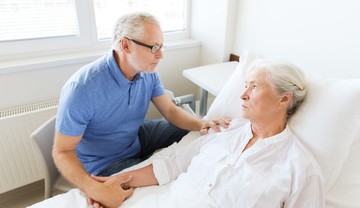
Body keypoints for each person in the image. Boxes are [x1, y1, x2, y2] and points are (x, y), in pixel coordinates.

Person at [52, 12, 230, 208]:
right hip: (105, 162)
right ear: (126, 45)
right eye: (154, 48)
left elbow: (170, 111)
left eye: (161, 47)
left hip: (135, 136)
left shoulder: (147, 72)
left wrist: (200, 123)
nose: (160, 55)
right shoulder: (83, 88)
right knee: (164, 179)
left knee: (196, 130)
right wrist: (95, 189)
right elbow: (62, 151)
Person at [91, 59, 325, 208]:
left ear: (284, 99)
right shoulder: (224, 129)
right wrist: (113, 182)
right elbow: (174, 166)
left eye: (254, 87)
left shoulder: (300, 170)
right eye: (245, 85)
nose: (242, 95)